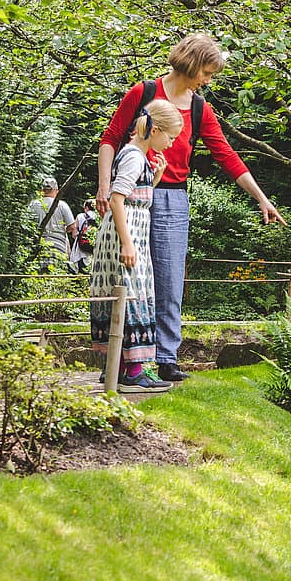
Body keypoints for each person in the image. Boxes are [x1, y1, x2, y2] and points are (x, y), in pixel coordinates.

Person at [97, 32, 286, 383]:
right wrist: (105, 187)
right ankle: (125, 360)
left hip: (171, 198)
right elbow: (110, 138)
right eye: (207, 73)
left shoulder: (200, 108)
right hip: (131, 195)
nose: (208, 81)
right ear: (194, 63)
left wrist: (261, 197)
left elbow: (226, 155)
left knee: (168, 281)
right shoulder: (143, 94)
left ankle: (165, 358)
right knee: (131, 278)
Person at [90, 100, 183, 394]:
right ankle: (132, 372)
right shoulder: (133, 156)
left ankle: (117, 369)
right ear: (154, 130)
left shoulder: (138, 156)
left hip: (130, 229)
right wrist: (128, 243)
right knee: (130, 295)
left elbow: (134, 195)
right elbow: (117, 200)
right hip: (126, 233)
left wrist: (154, 178)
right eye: (169, 137)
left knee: (129, 294)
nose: (170, 144)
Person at [27, 177, 75, 269]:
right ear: (56, 190)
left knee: (37, 275)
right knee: (56, 275)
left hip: (38, 247)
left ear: (42, 190)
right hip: (58, 248)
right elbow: (72, 226)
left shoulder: (33, 204)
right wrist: (64, 229)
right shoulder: (62, 205)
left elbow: (27, 225)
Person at [69, 199, 100, 273]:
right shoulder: (100, 217)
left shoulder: (80, 216)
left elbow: (74, 234)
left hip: (80, 251)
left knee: (79, 273)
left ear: (86, 208)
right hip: (95, 251)